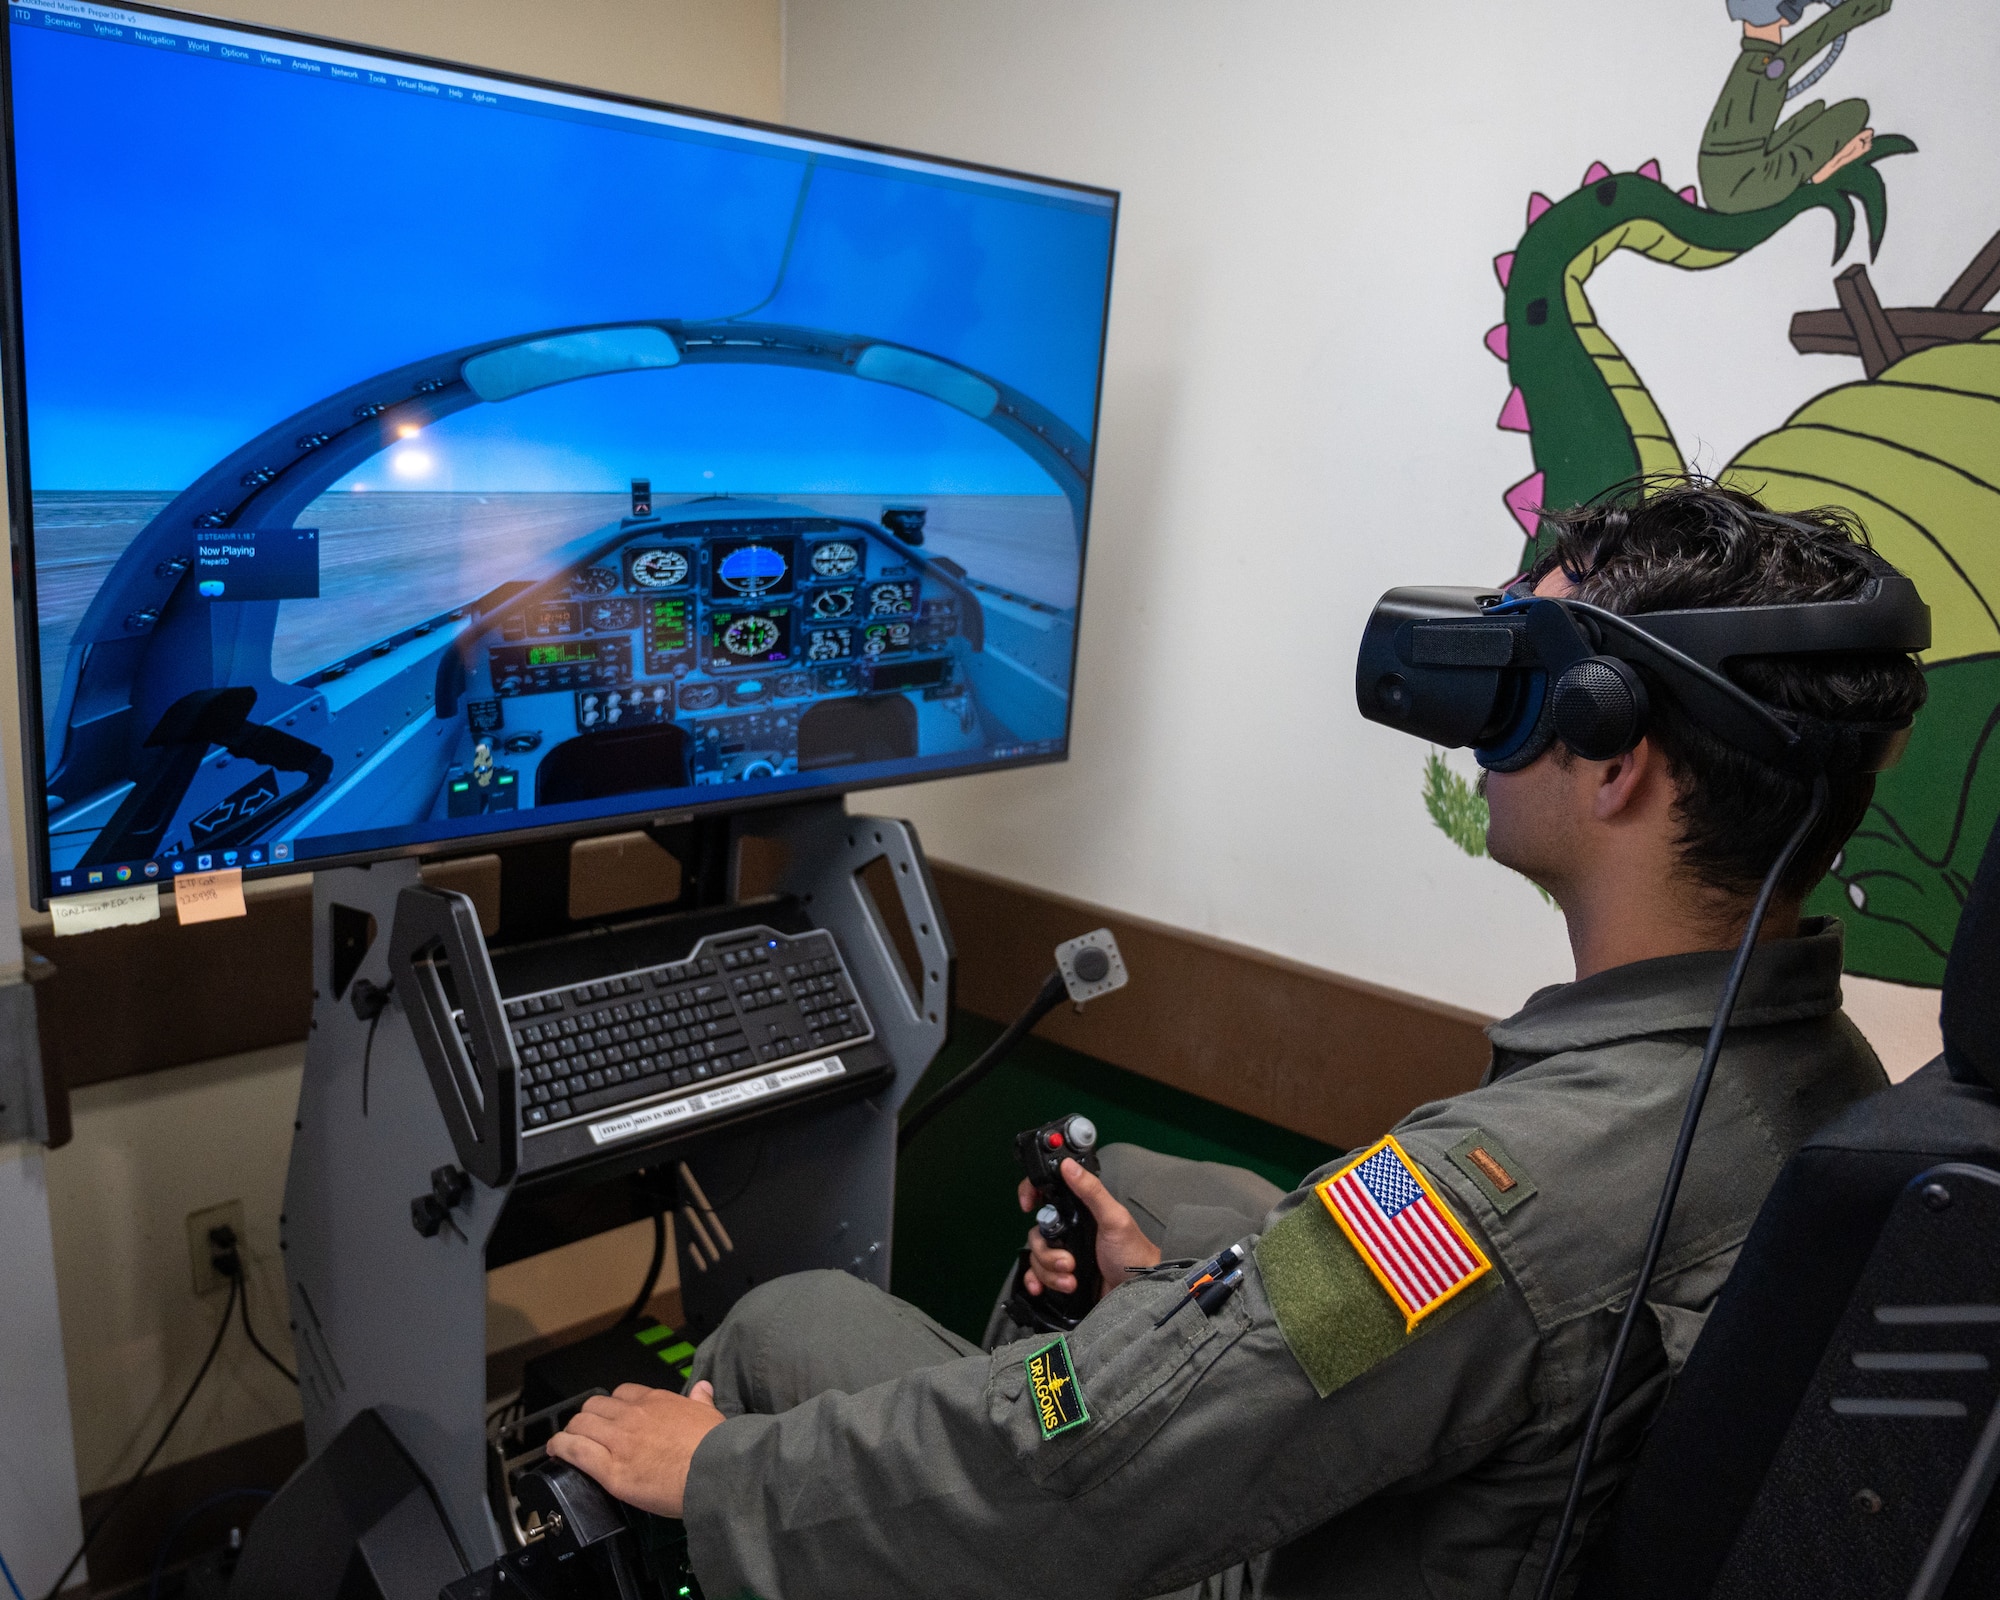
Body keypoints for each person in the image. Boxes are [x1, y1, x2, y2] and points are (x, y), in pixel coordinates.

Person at [547, 480, 1928, 1598]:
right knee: (1152, 1195)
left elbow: (1079, 1474)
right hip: (1438, 1514)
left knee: (790, 1322)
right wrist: (1192, 1300)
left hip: (1249, 1547)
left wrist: (721, 1476)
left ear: (1615, 754)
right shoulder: (1835, 1084)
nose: (1479, 739)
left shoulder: (1481, 1199)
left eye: (1517, 687)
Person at [1698, 0, 1895, 214]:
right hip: (1745, 185)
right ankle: (1822, 171)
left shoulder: (1748, 62)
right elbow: (1821, 33)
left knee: (1813, 112)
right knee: (1854, 111)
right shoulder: (1770, 66)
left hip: (1718, 179)